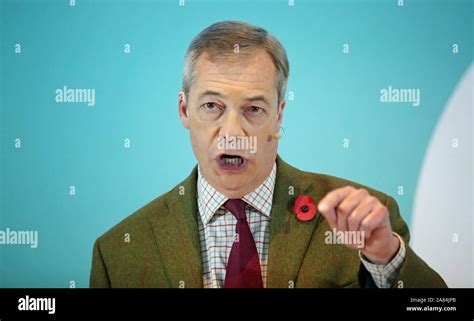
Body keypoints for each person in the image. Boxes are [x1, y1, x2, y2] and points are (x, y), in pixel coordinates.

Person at [90, 21, 447, 288]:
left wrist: (385, 258)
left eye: (253, 109)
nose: (232, 132)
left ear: (279, 114)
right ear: (184, 111)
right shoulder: (119, 251)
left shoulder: (358, 223)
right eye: (212, 106)